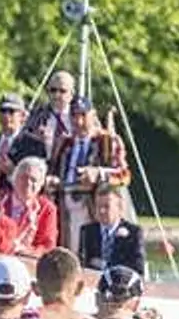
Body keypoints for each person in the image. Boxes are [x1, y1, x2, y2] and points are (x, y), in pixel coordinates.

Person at [51, 96, 128, 248]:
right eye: (74, 115)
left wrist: (99, 174)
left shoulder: (107, 141)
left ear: (93, 115)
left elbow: (124, 176)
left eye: (83, 115)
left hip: (94, 210)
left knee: (91, 254)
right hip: (66, 210)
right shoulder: (64, 143)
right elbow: (53, 170)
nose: (78, 122)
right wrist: (51, 180)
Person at [0, 93, 47, 193]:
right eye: (2, 111)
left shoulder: (34, 145)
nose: (6, 116)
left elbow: (40, 184)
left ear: (22, 116)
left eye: (11, 111)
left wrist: (13, 172)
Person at [76, 180, 146, 274]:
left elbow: (138, 268)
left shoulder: (134, 232)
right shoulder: (87, 231)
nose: (101, 211)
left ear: (119, 207)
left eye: (106, 206)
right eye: (98, 206)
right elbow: (82, 264)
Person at [1, 156, 59, 256]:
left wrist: (28, 252)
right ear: (13, 180)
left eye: (34, 180)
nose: (28, 183)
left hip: (28, 260)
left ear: (41, 185)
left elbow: (48, 245)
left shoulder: (47, 208)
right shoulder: (0, 201)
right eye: (24, 177)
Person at [25, 71, 78, 165]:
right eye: (53, 90)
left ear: (71, 94)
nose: (57, 95)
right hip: (42, 167)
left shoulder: (80, 116)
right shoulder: (36, 115)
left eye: (62, 91)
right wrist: (36, 139)